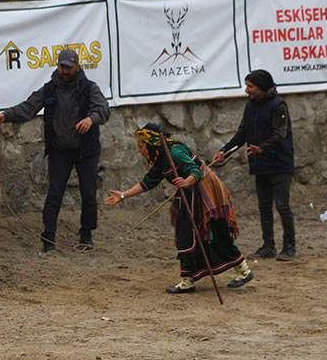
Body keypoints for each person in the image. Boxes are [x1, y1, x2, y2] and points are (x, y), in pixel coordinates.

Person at [105, 124, 253, 293]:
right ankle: (188, 279)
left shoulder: (175, 153)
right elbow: (148, 182)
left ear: (151, 144)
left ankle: (242, 270)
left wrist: (186, 181)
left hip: (204, 191)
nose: (139, 151)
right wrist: (122, 195)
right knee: (186, 233)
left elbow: (195, 171)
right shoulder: (160, 158)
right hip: (187, 193)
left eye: (141, 146)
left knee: (210, 231)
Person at [0, 48, 110, 252]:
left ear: (77, 67)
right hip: (59, 150)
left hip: (86, 151)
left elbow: (103, 109)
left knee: (89, 193)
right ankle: (49, 237)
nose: (65, 71)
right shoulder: (50, 88)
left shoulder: (90, 88)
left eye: (69, 67)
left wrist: (91, 119)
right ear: (58, 66)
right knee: (55, 192)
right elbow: (28, 107)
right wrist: (7, 115)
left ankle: (86, 234)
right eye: (62, 66)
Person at [212, 69, 296, 261]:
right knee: (264, 207)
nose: (246, 90)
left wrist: (262, 148)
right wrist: (225, 151)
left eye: (250, 86)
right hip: (261, 164)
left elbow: (280, 134)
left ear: (261, 87)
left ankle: (289, 247)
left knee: (282, 205)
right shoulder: (250, 106)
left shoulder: (278, 105)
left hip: (280, 163)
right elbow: (242, 134)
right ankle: (268, 246)